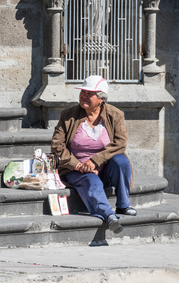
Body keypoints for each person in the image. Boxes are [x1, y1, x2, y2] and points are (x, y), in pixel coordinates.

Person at [51, 75, 136, 234]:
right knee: (92, 180)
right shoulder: (68, 115)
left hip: (104, 167)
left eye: (89, 93)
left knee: (121, 161)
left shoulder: (115, 115)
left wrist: (95, 161)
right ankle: (109, 215)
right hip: (76, 169)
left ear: (101, 98)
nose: (84, 95)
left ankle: (123, 205)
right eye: (82, 92)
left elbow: (120, 143)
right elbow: (57, 145)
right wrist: (78, 164)